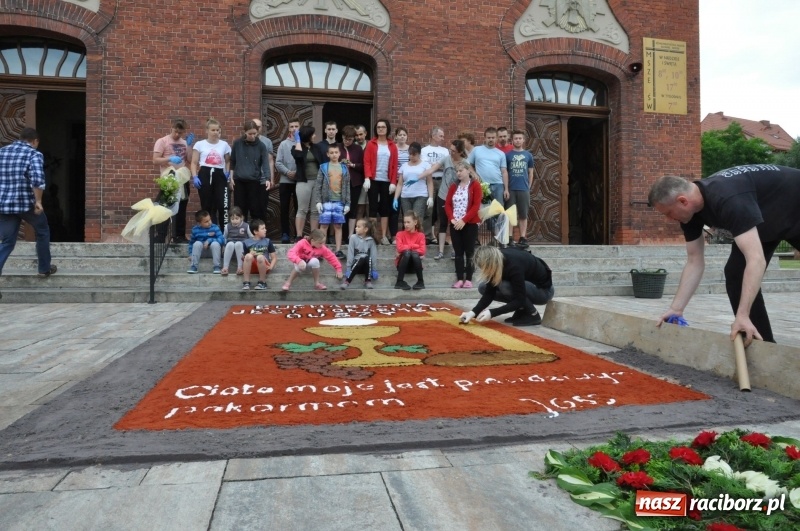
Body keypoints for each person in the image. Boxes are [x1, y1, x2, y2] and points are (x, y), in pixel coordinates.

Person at [648, 165, 800, 346]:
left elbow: (756, 259)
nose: (669, 220)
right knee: (736, 274)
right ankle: (763, 345)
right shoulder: (690, 215)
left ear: (683, 201)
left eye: (668, 213)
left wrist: (741, 314)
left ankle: (745, 320)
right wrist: (676, 308)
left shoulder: (728, 199)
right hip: (767, 219)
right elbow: (694, 261)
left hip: (794, 207)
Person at [0, 127, 56, 281]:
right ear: (35, 141)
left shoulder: (2, 152)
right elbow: (37, 179)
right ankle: (44, 268)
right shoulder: (34, 153)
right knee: (42, 231)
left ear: (20, 138)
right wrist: (38, 201)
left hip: (4, 206)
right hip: (26, 204)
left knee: (7, 242)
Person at [460, 246, 554, 326]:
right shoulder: (497, 259)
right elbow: (489, 293)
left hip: (544, 291)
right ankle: (521, 310)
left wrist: (492, 313)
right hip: (526, 287)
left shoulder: (514, 265)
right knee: (483, 287)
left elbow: (520, 299)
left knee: (505, 286)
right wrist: (473, 313)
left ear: (489, 263)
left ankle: (533, 314)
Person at [420, 139, 472, 260]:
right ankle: (441, 251)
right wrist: (418, 176)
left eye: (453, 151)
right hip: (443, 195)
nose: (451, 152)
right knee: (442, 223)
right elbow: (432, 169)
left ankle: (455, 250)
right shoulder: (446, 158)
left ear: (459, 152)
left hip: (457, 198)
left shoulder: (465, 162)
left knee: (455, 224)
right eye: (450, 149)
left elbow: (471, 175)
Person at [152, 119, 191, 242]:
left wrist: (189, 146)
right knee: (165, 205)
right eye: (175, 131)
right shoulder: (162, 141)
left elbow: (189, 159)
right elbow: (155, 160)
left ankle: (179, 235)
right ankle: (161, 235)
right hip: (169, 177)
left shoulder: (184, 142)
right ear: (171, 128)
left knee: (182, 206)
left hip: (182, 178)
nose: (177, 135)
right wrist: (169, 159)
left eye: (180, 132)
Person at [445, 161, 482, 288]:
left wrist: (464, 220)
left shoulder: (475, 185)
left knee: (470, 251)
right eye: (457, 171)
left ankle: (469, 278)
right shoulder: (453, 186)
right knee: (458, 252)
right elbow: (448, 204)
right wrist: (452, 218)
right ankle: (460, 278)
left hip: (470, 223)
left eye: (461, 171)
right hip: (455, 223)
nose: (458, 173)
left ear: (468, 171)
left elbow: (476, 205)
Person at [363, 118, 399, 245]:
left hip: (386, 181)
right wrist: (367, 177)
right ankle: (372, 236)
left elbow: (394, 165)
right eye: (378, 127)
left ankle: (383, 236)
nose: (381, 129)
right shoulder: (371, 144)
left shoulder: (392, 146)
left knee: (385, 209)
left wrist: (393, 182)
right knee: (372, 208)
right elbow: (366, 161)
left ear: (387, 129)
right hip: (373, 180)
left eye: (383, 127)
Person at [191, 118, 231, 227]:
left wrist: (227, 173)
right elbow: (194, 163)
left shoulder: (224, 145)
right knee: (207, 205)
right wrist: (195, 177)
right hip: (205, 173)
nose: (216, 132)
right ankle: (209, 230)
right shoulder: (200, 144)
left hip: (219, 174)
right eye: (213, 130)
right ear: (207, 131)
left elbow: (228, 161)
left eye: (218, 130)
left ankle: (224, 231)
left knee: (223, 205)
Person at [314, 144, 351, 258]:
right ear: (328, 154)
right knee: (324, 225)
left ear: (339, 154)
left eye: (336, 152)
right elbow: (318, 185)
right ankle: (321, 249)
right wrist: (318, 201)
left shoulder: (344, 168)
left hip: (339, 201)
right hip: (326, 201)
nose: (334, 155)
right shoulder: (323, 167)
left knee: (338, 226)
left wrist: (348, 203)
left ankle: (338, 250)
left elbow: (347, 186)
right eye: (332, 153)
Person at [230, 120, 271, 222]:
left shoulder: (261, 145)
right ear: (244, 132)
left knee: (255, 209)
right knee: (239, 209)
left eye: (254, 133)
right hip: (239, 180)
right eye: (250, 134)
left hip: (254, 180)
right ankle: (240, 232)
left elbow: (265, 163)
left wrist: (267, 178)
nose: (252, 136)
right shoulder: (237, 143)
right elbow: (232, 161)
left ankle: (254, 232)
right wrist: (230, 178)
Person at [291, 125, 327, 240]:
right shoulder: (296, 147)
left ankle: (314, 236)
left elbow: (323, 163)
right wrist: (297, 141)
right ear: (307, 136)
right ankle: (299, 235)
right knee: (302, 209)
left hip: (317, 181)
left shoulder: (317, 148)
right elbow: (298, 156)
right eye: (312, 134)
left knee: (315, 210)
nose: (315, 136)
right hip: (303, 182)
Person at [506, 129, 535, 248]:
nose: (518, 140)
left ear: (523, 140)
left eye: (520, 138)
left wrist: (528, 186)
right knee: (510, 214)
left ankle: (523, 237)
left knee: (523, 214)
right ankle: (509, 238)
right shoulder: (507, 155)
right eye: (516, 138)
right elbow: (505, 172)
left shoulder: (528, 155)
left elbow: (531, 172)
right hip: (511, 189)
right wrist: (506, 188)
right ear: (512, 140)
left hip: (523, 189)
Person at [421, 126, 449, 243]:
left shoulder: (445, 151)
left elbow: (446, 167)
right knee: (429, 208)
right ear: (433, 136)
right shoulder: (424, 150)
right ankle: (428, 235)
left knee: (441, 208)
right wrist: (437, 166)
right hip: (429, 181)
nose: (443, 138)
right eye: (440, 136)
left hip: (443, 181)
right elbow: (425, 167)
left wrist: (434, 166)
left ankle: (439, 235)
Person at [393, 142, 432, 226]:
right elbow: (400, 184)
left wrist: (431, 197)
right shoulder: (404, 166)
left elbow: (429, 182)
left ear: (419, 154)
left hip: (420, 195)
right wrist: (395, 198)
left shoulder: (425, 165)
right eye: (410, 154)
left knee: (417, 220)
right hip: (405, 196)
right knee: (407, 221)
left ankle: (418, 238)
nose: (411, 156)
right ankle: (407, 238)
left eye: (414, 154)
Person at [275, 117, 300, 243]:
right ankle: (285, 233)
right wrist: (287, 172)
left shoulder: (302, 143)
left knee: (298, 209)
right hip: (285, 181)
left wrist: (297, 173)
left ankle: (297, 234)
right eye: (292, 127)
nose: (294, 129)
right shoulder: (283, 144)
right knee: (284, 208)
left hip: (299, 182)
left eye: (296, 126)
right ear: (288, 129)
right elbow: (278, 162)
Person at [341, 125, 365, 240]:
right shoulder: (338, 147)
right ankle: (341, 234)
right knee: (341, 208)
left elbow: (363, 166)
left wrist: (352, 165)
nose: (347, 141)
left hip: (355, 182)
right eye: (345, 139)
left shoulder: (358, 149)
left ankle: (350, 235)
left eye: (350, 139)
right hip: (340, 183)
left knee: (352, 208)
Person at [241, 218, 277, 291]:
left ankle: (262, 282)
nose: (265, 230)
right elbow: (244, 258)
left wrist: (271, 266)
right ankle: (246, 282)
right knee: (248, 256)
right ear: (255, 231)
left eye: (265, 228)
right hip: (252, 266)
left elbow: (274, 258)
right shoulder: (246, 242)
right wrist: (248, 254)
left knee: (260, 257)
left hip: (264, 265)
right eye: (263, 228)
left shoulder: (267, 241)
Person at [342, 218, 379, 290]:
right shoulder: (353, 238)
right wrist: (348, 268)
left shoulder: (371, 240)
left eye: (358, 227)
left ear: (365, 229)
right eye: (356, 226)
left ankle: (368, 280)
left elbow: (374, 255)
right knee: (361, 258)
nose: (356, 228)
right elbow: (350, 253)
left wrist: (374, 269)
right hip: (355, 265)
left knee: (367, 258)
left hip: (366, 266)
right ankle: (347, 281)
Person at [252, 118, 276, 225]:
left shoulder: (267, 142)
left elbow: (270, 161)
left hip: (263, 180)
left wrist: (271, 178)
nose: (256, 128)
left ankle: (262, 231)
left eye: (259, 126)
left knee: (263, 206)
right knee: (252, 206)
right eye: (254, 125)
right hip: (249, 179)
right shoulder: (243, 141)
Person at [394, 211, 426, 290]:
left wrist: (408, 247)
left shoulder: (421, 235)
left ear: (415, 222)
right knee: (408, 253)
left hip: (415, 266)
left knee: (414, 254)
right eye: (404, 222)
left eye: (408, 222)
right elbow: (399, 248)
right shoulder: (400, 234)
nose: (406, 225)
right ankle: (399, 281)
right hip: (402, 264)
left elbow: (422, 251)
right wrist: (414, 246)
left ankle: (420, 281)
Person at [187, 209, 225, 274]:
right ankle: (194, 266)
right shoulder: (195, 230)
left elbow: (222, 240)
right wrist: (190, 254)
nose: (209, 222)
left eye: (210, 219)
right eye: (206, 221)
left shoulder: (215, 227)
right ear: (199, 223)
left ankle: (217, 266)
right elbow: (191, 243)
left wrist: (210, 240)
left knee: (215, 244)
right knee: (197, 243)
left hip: (213, 252)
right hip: (201, 252)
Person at [222, 206, 253, 276]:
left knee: (238, 244)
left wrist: (251, 246)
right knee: (230, 244)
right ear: (230, 219)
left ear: (241, 218)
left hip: (241, 245)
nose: (234, 221)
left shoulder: (246, 226)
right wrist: (223, 246)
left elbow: (251, 237)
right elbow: (224, 237)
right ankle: (225, 267)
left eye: (237, 218)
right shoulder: (227, 226)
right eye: (232, 219)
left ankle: (240, 267)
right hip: (231, 246)